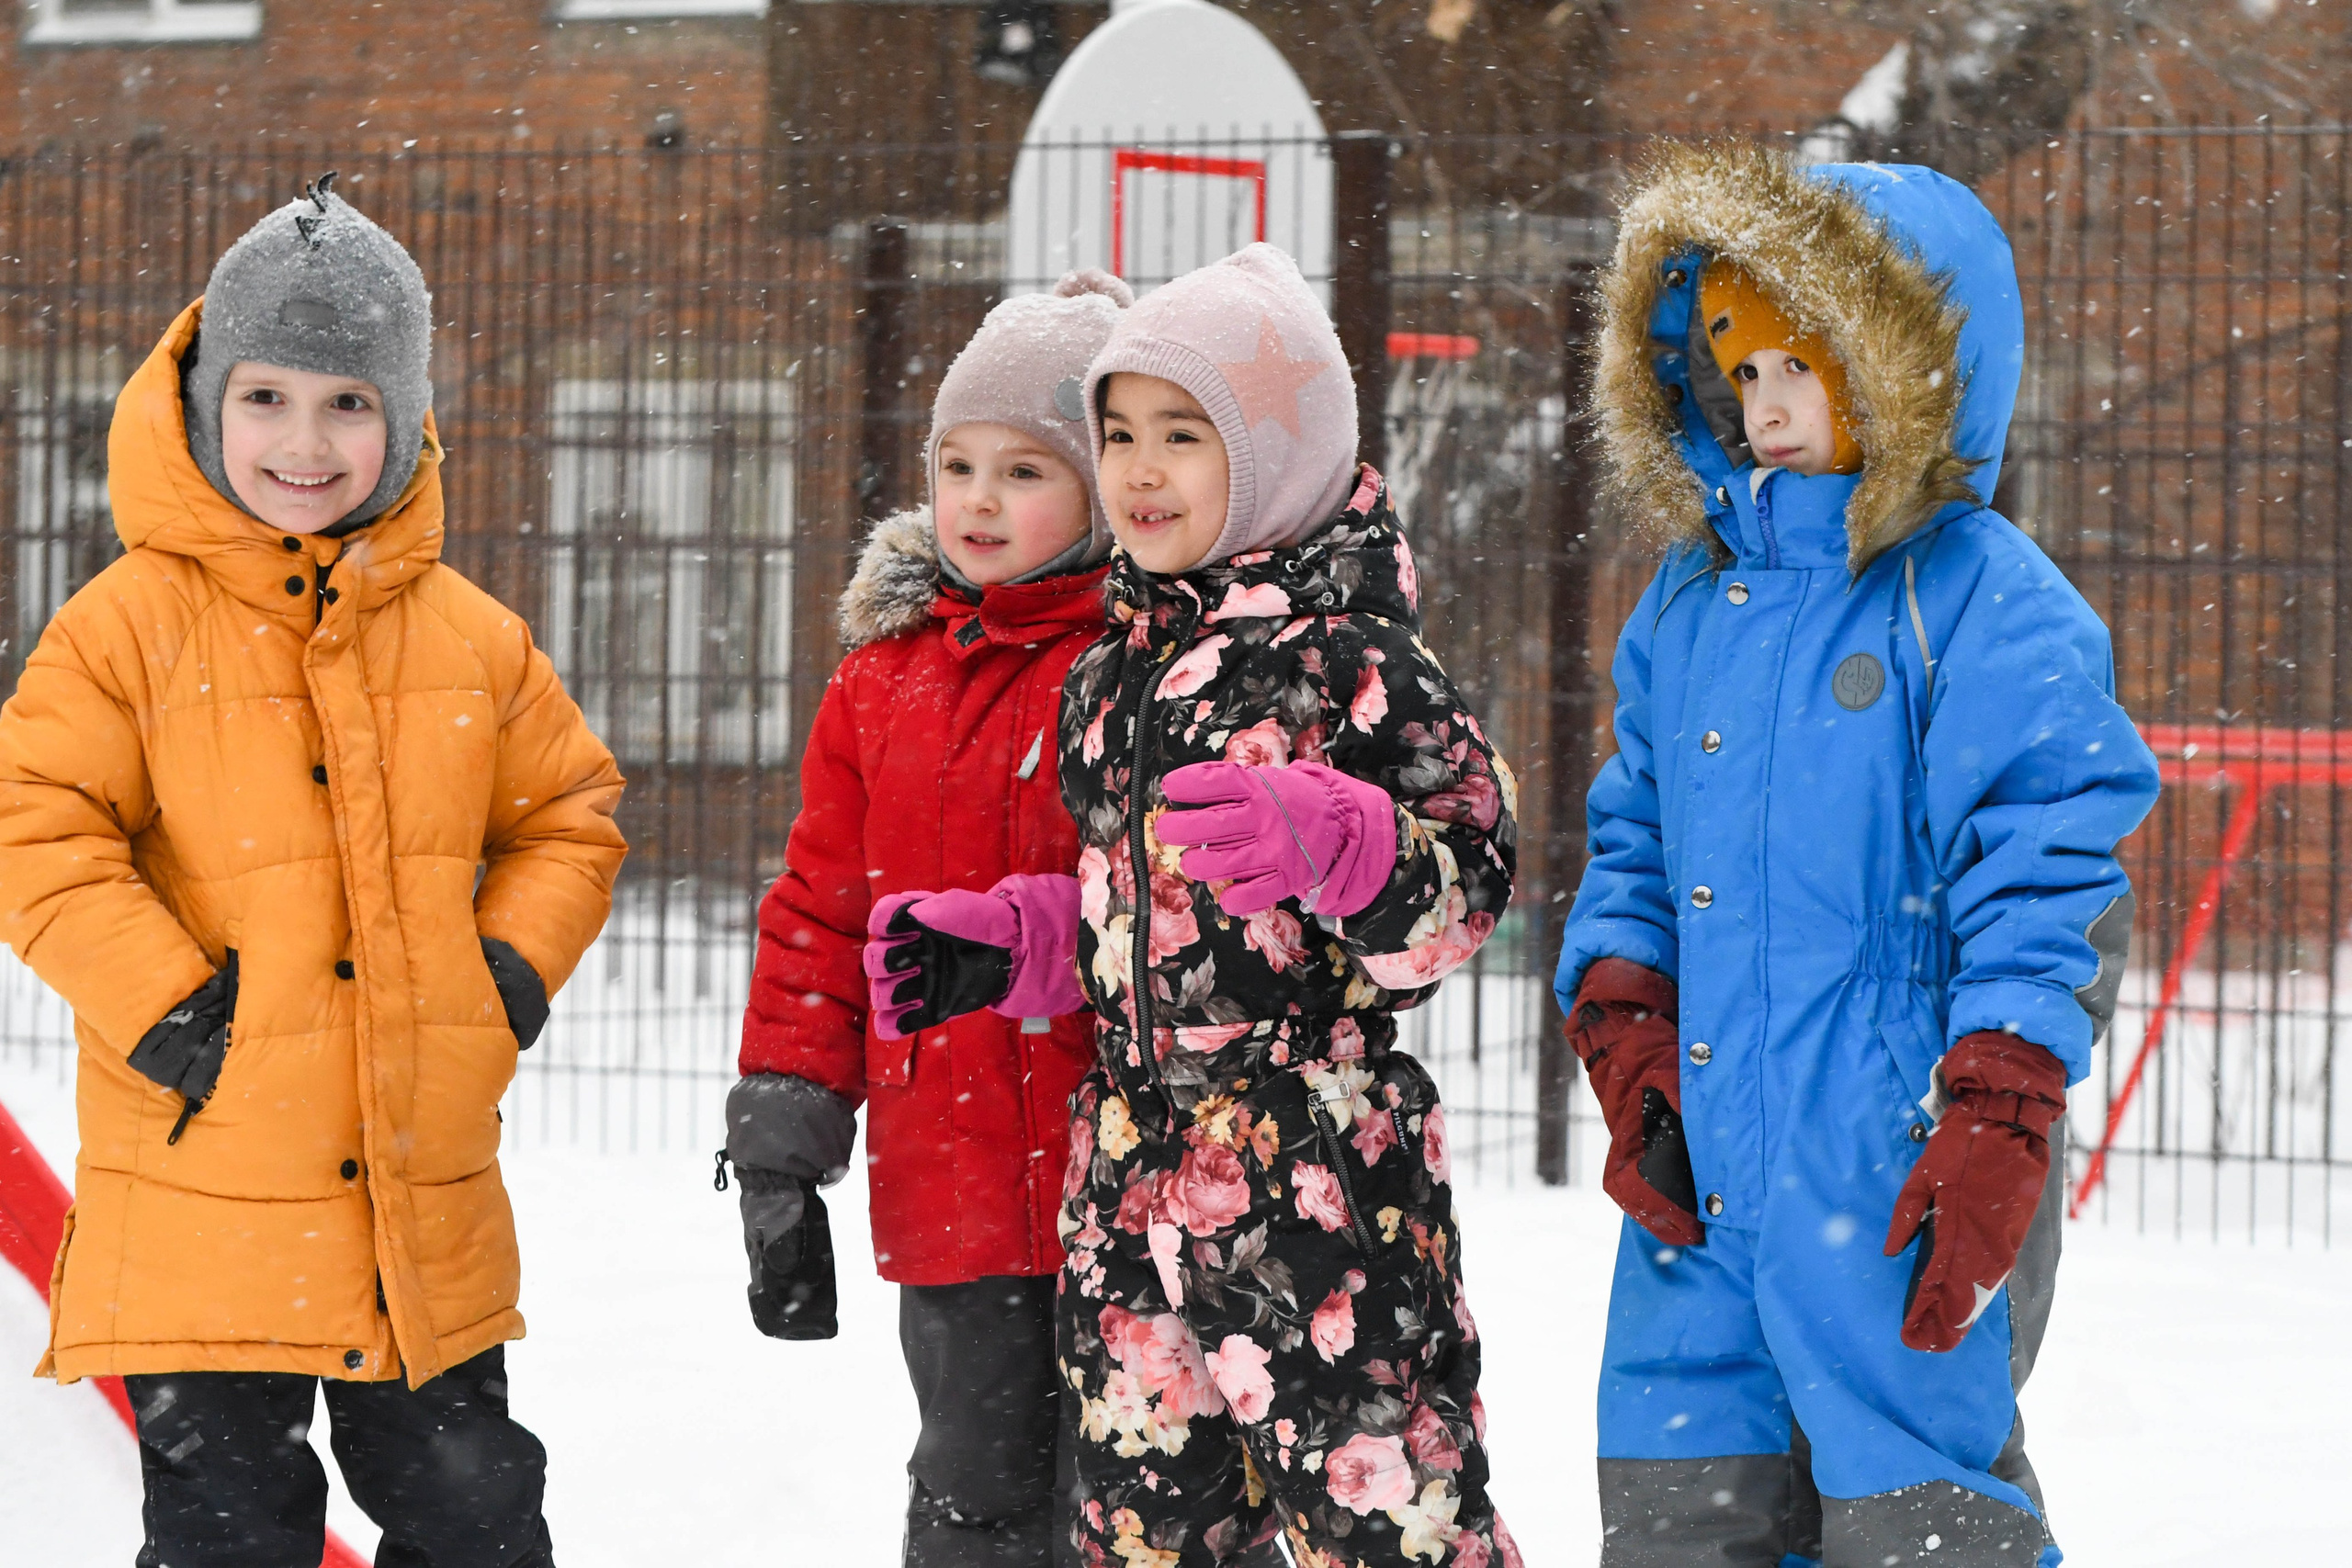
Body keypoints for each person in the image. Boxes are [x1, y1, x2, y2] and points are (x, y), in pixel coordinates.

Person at [0, 175, 626, 1568]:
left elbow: (569, 813)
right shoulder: (125, 629)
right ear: (204, 405)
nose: (304, 440)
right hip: (203, 1190)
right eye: (267, 397)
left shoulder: (471, 639)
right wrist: (169, 1004)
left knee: (475, 1520)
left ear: (404, 419)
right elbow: (33, 822)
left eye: (349, 402)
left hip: (418, 1200)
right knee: (230, 1537)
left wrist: (503, 973)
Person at [1555, 141, 2161, 1566]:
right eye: (1744, 371)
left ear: (1901, 374)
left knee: (1915, 1502)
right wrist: (1630, 1021)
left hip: (1891, 1152)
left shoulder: (1979, 599)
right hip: (1705, 1149)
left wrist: (2002, 1098)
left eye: (1805, 368)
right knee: (1683, 1488)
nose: (1766, 407)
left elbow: (2047, 865)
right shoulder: (1692, 601)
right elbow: (1636, 829)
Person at [874, 243, 1521, 1567]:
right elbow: (1133, 907)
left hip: (1317, 1179)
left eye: (1183, 435)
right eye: (1118, 436)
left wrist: (1348, 844)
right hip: (1129, 1177)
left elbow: (1468, 887)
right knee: (1147, 1536)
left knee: (1387, 1524)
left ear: (1275, 452)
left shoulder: (1352, 657)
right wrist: (1025, 942)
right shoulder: (1109, 674)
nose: (1139, 471)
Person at [725, 270, 1132, 1564]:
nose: (979, 501)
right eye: (958, 466)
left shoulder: (1141, 667)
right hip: (952, 1180)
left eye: (1025, 470)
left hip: (1124, 1179)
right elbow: (821, 914)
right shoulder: (881, 683)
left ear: (1103, 492)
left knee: (1146, 1502)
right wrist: (784, 1135)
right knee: (974, 1493)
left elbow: (1169, 905)